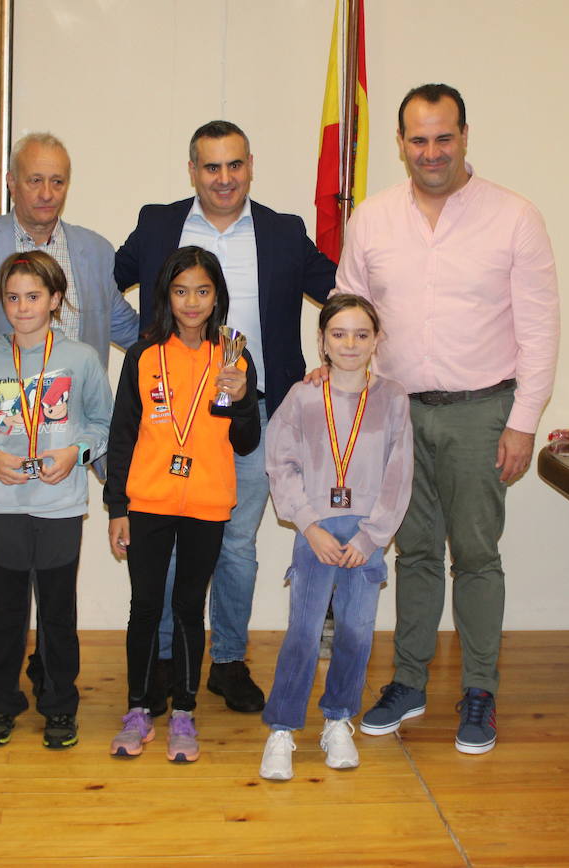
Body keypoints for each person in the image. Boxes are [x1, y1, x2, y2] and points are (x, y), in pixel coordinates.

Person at [336, 83, 560, 756]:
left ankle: (481, 690)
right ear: (401, 144)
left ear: (465, 137)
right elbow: (349, 314)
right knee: (415, 554)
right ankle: (408, 682)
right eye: (417, 139)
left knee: (478, 556)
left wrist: (522, 422)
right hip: (398, 414)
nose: (431, 152)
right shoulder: (372, 220)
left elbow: (541, 329)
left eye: (443, 137)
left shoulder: (514, 217)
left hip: (480, 413)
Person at [113, 120, 337, 713]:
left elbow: (339, 292)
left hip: (253, 415)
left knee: (236, 544)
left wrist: (332, 361)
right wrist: (135, 344)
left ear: (250, 166)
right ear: (192, 171)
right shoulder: (158, 223)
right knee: (163, 540)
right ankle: (162, 661)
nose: (223, 178)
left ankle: (229, 662)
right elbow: (103, 284)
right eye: (211, 167)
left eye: (234, 165)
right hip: (169, 417)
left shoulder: (285, 232)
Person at [0, 132, 139, 719]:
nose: (46, 192)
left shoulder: (95, 251)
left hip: (67, 451)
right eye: (35, 179)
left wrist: (190, 350)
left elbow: (127, 329)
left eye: (58, 180)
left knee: (56, 573)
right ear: (12, 182)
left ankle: (49, 675)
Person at [0, 252, 112, 748]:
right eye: (13, 297)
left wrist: (75, 452)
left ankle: (60, 706)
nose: (23, 308)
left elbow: (101, 424)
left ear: (55, 299)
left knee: (58, 614)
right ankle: (1, 701)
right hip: (3, 505)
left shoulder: (80, 359)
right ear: (3, 301)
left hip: (60, 505)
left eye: (34, 297)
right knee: (6, 614)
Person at [104, 246, 260, 762]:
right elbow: (122, 434)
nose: (191, 302)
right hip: (148, 500)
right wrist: (116, 507)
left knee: (189, 609)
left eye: (202, 290)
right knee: (145, 607)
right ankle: (137, 709)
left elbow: (245, 441)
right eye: (180, 290)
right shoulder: (144, 356)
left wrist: (240, 401)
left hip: (208, 504)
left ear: (217, 296)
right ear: (165, 296)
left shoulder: (234, 356)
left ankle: (187, 713)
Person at [258, 294, 412, 782]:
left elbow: (398, 472)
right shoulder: (302, 397)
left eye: (362, 334)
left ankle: (338, 719)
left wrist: (372, 538)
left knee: (355, 632)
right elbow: (280, 464)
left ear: (376, 341)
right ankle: (282, 727)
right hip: (316, 532)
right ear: (321, 341)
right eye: (339, 334)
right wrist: (308, 524)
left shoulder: (393, 399)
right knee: (303, 633)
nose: (350, 343)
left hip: (365, 537)